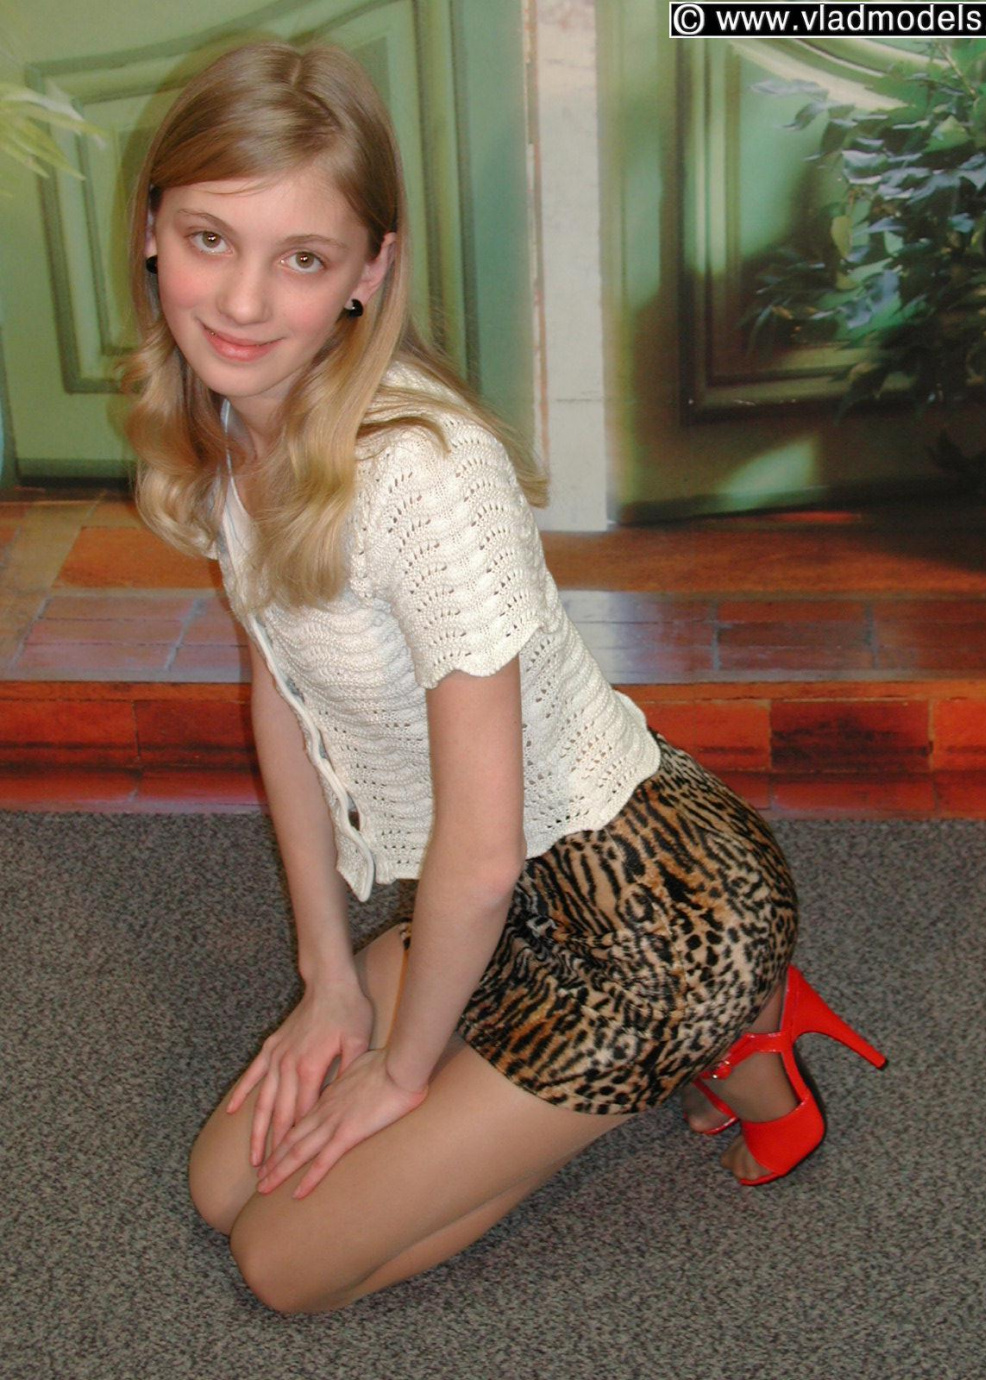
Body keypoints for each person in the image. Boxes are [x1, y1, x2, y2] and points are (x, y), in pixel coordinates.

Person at [121, 40, 885, 1315]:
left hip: (649, 916)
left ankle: (733, 1019)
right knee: (220, 1186)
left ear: (370, 272)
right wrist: (325, 981)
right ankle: (674, 1046)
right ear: (153, 230)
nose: (242, 303)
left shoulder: (425, 478)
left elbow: (477, 858)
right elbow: (285, 700)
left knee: (281, 1262)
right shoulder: (227, 429)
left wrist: (398, 1073)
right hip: (501, 903)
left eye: (302, 258)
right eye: (211, 239)